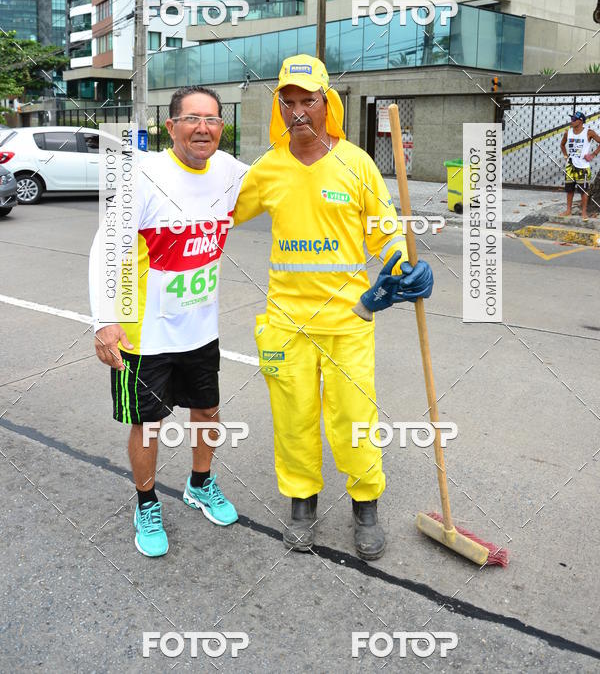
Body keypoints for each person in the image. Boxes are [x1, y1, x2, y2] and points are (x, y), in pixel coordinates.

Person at [233, 55, 433, 560]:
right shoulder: (268, 168)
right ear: (279, 107)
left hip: (349, 318)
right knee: (293, 418)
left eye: (309, 100)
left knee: (354, 418)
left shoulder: (357, 164)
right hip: (287, 322)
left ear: (328, 104)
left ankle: (365, 506)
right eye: (289, 102)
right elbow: (218, 213)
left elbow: (385, 233)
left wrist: (406, 267)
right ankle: (302, 504)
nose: (298, 111)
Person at [89, 86, 248, 557]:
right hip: (144, 332)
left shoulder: (231, 172)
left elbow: (287, 180)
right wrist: (104, 320)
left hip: (201, 328)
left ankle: (201, 483)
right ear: (171, 126)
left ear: (222, 128)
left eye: (212, 119)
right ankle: (146, 504)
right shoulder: (144, 176)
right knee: (149, 424)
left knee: (208, 412)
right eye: (192, 118)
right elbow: (106, 248)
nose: (203, 128)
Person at [560, 112, 600, 219]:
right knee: (569, 190)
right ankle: (568, 210)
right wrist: (565, 156)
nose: (572, 121)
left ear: (581, 121)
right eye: (571, 119)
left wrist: (593, 154)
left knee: (584, 191)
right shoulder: (568, 132)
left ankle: (584, 213)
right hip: (570, 166)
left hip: (583, 167)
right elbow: (562, 145)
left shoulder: (589, 132)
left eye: (574, 119)